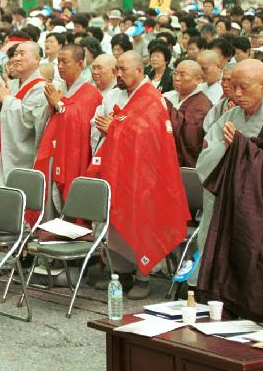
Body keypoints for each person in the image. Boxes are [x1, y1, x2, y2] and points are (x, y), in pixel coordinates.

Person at [195, 59, 263, 326]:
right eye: (233, 87)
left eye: (244, 87)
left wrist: (242, 148)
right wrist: (233, 149)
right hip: (231, 208)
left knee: (260, 269)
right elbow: (206, 159)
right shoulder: (229, 117)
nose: (237, 94)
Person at [87, 51, 188, 300]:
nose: (118, 74)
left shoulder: (152, 99)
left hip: (147, 176)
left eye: (123, 69)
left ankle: (144, 276)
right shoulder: (129, 97)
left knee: (142, 223)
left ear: (140, 71)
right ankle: (122, 274)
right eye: (117, 69)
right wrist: (115, 128)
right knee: (119, 226)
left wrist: (116, 128)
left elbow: (148, 136)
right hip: (125, 171)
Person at [35, 44, 102, 205]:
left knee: (70, 200)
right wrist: (51, 106)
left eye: (65, 62)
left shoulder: (91, 93)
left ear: (80, 64)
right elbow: (45, 118)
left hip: (73, 152)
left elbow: (80, 124)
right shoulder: (58, 87)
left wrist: (58, 104)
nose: (61, 66)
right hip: (53, 148)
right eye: (59, 62)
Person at [0, 41, 48, 184]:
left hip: (20, 153)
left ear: (36, 58)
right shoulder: (12, 85)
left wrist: (6, 100)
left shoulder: (42, 88)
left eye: (22, 54)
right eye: (15, 54)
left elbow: (32, 120)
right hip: (1, 145)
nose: (17, 58)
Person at [164, 60, 212, 167]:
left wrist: (166, 107)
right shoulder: (168, 95)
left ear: (198, 80)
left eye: (182, 75)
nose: (176, 78)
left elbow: (191, 139)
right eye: (175, 73)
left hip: (185, 165)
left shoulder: (202, 104)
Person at [203, 63, 236, 132]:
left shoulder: (245, 105)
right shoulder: (222, 102)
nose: (224, 84)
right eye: (223, 79)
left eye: (229, 80)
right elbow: (206, 126)